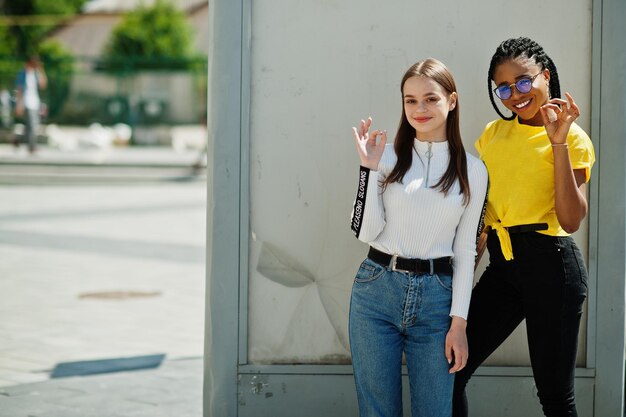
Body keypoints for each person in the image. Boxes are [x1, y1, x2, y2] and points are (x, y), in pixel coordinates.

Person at [452, 37, 595, 417]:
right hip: (503, 267)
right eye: (504, 87)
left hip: (553, 271)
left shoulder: (574, 138)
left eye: (524, 81)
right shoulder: (492, 137)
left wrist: (558, 143)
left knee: (555, 398)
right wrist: (462, 274)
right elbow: (483, 215)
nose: (515, 94)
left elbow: (571, 219)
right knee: (450, 370)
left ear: (545, 76)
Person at [349, 58, 489, 417]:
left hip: (436, 301)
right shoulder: (388, 156)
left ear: (452, 101)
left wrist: (459, 323)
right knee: (377, 410)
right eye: (410, 100)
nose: (419, 108)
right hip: (376, 291)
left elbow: (464, 251)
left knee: (435, 410)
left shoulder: (473, 170)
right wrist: (368, 169)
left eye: (430, 99)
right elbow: (364, 231)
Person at [15, 55, 47, 153]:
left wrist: (40, 69)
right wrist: (19, 105)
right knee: (33, 125)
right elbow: (19, 89)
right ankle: (32, 147)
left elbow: (43, 85)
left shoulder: (36, 74)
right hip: (26, 102)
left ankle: (17, 140)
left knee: (29, 126)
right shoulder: (22, 74)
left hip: (35, 102)